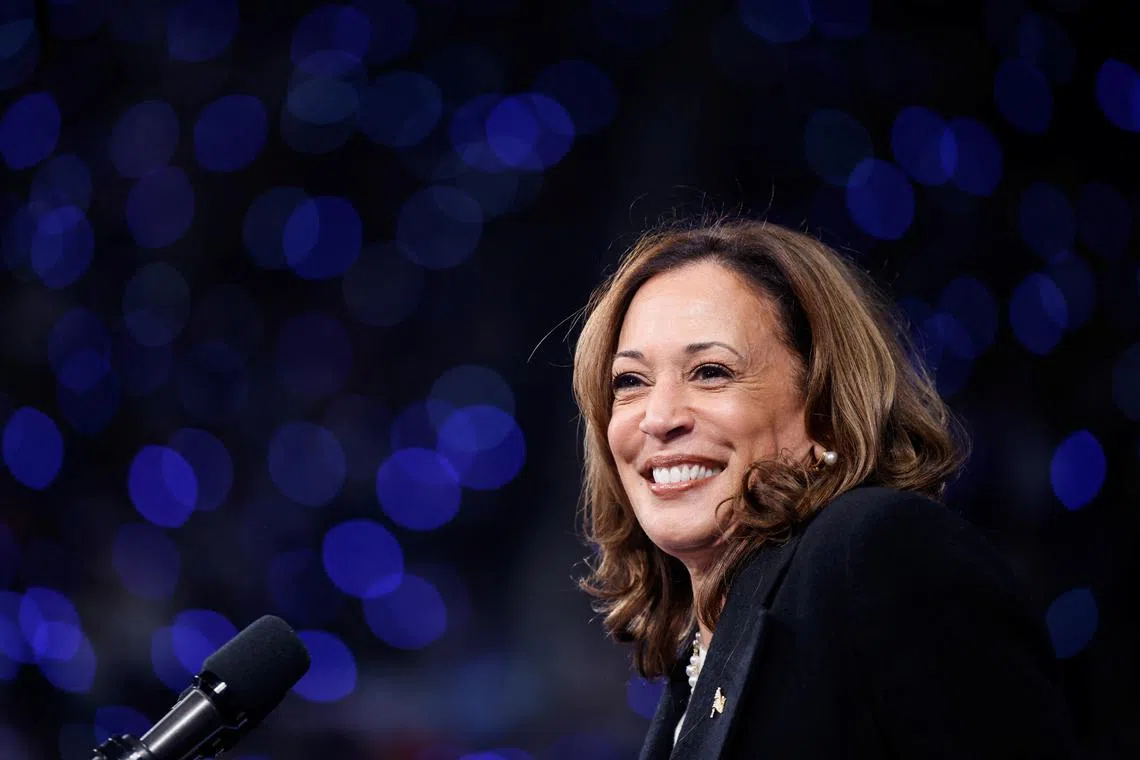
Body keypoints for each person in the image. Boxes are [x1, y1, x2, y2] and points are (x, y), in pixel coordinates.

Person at [570, 219, 1078, 759]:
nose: (659, 417)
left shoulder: (879, 550)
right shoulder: (699, 651)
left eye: (711, 371)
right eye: (630, 382)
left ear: (824, 410)